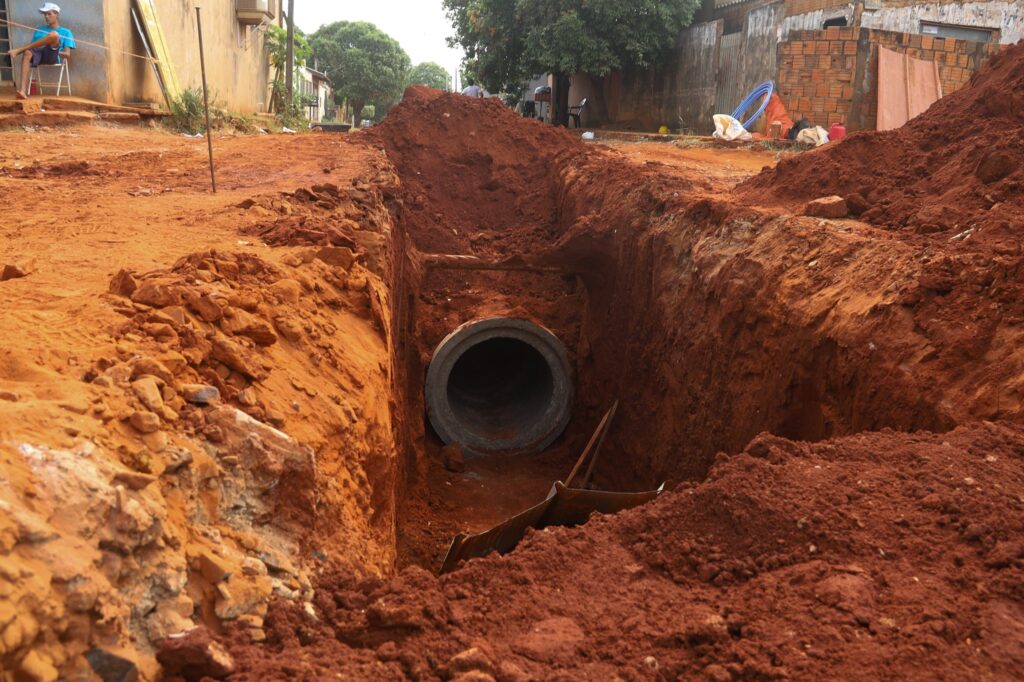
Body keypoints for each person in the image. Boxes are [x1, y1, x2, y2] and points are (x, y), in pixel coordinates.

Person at [7, 3, 76, 100]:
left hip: (52, 55)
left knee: (54, 35)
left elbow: (67, 54)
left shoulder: (66, 32)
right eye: (45, 14)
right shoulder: (39, 29)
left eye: (49, 14)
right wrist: (40, 47)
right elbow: (32, 48)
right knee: (27, 52)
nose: (46, 17)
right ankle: (22, 91)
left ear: (57, 14)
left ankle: (19, 50)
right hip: (38, 56)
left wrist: (54, 50)